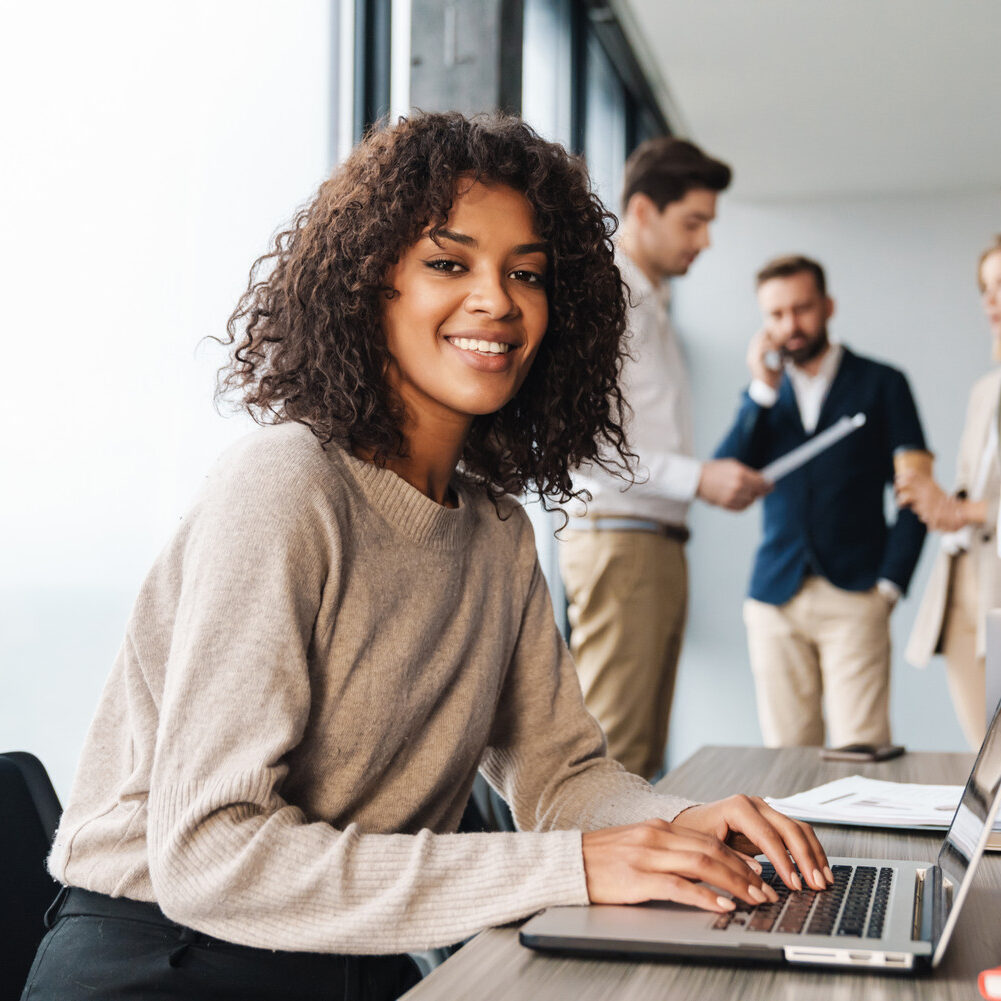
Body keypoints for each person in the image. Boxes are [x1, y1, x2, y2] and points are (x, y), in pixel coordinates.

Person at [22, 114, 830, 1001]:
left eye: (526, 273)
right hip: (169, 963)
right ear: (373, 285)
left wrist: (679, 823)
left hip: (355, 958)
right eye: (450, 263)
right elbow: (210, 854)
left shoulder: (496, 532)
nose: (498, 299)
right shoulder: (288, 484)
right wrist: (568, 868)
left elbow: (561, 776)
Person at [559, 138, 769, 781]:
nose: (704, 241)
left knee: (639, 757)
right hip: (624, 541)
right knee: (615, 757)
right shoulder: (613, 297)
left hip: (651, 542)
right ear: (643, 212)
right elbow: (583, 444)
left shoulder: (650, 301)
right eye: (693, 222)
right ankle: (577, 884)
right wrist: (698, 477)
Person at [715, 254, 927, 748]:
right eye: (776, 314)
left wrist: (891, 585)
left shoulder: (882, 383)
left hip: (856, 593)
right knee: (786, 757)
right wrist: (761, 393)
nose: (791, 325)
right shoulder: (764, 396)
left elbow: (917, 491)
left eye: (803, 308)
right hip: (775, 596)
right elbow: (724, 477)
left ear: (828, 306)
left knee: (862, 750)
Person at [899, 236, 1001, 749]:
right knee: (987, 763)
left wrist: (968, 510)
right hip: (965, 589)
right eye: (985, 288)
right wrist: (940, 503)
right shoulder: (986, 391)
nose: (991, 301)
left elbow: (980, 506)